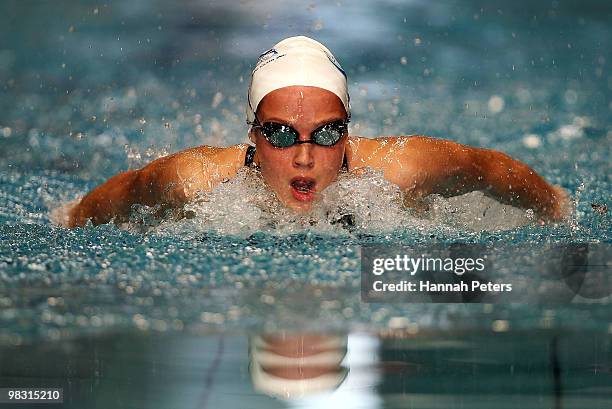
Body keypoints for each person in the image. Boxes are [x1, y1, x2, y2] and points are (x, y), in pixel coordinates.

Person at [65, 36, 569, 228]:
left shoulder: (405, 167)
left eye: (327, 135)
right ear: (253, 136)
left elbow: (492, 169)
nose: (304, 158)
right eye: (282, 135)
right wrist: (71, 220)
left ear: (348, 133)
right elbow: (123, 194)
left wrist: (556, 206)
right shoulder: (194, 180)